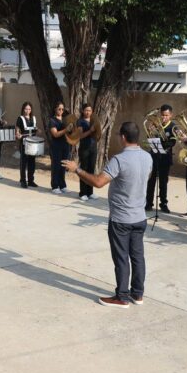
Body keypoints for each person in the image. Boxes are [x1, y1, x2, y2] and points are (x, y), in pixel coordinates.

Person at [64, 122, 152, 307]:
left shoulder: (119, 160)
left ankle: (122, 296)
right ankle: (138, 294)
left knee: (121, 258)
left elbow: (98, 182)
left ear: (123, 137)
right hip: (139, 217)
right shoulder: (147, 157)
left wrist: (77, 169)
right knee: (137, 256)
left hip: (121, 219)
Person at [146, 104, 176, 213]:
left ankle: (163, 203)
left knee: (163, 182)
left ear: (171, 115)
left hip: (165, 157)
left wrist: (163, 143)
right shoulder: (155, 125)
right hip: (154, 156)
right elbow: (149, 139)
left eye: (166, 115)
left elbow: (173, 142)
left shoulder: (173, 127)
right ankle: (148, 203)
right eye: (162, 115)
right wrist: (151, 132)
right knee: (151, 181)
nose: (164, 117)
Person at [76, 104, 99, 201]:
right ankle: (83, 193)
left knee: (91, 170)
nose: (87, 112)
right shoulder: (80, 121)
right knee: (84, 170)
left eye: (89, 110)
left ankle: (90, 192)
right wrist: (90, 131)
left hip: (93, 148)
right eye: (86, 110)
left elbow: (98, 134)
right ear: (82, 111)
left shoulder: (94, 121)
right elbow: (80, 136)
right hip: (84, 148)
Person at [47, 102, 71, 195]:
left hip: (65, 145)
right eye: (59, 109)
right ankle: (55, 186)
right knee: (56, 166)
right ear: (55, 109)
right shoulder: (52, 121)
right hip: (56, 146)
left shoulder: (65, 120)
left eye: (62, 109)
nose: (61, 111)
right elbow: (55, 134)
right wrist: (66, 130)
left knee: (63, 166)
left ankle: (62, 185)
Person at [16, 101, 39, 188]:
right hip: (24, 143)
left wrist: (38, 130)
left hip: (32, 143)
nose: (27, 110)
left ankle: (30, 180)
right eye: (26, 109)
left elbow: (35, 129)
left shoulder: (33, 118)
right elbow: (17, 129)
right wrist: (18, 134)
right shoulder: (20, 118)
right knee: (23, 162)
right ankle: (23, 180)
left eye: (29, 109)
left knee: (32, 162)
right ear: (23, 109)